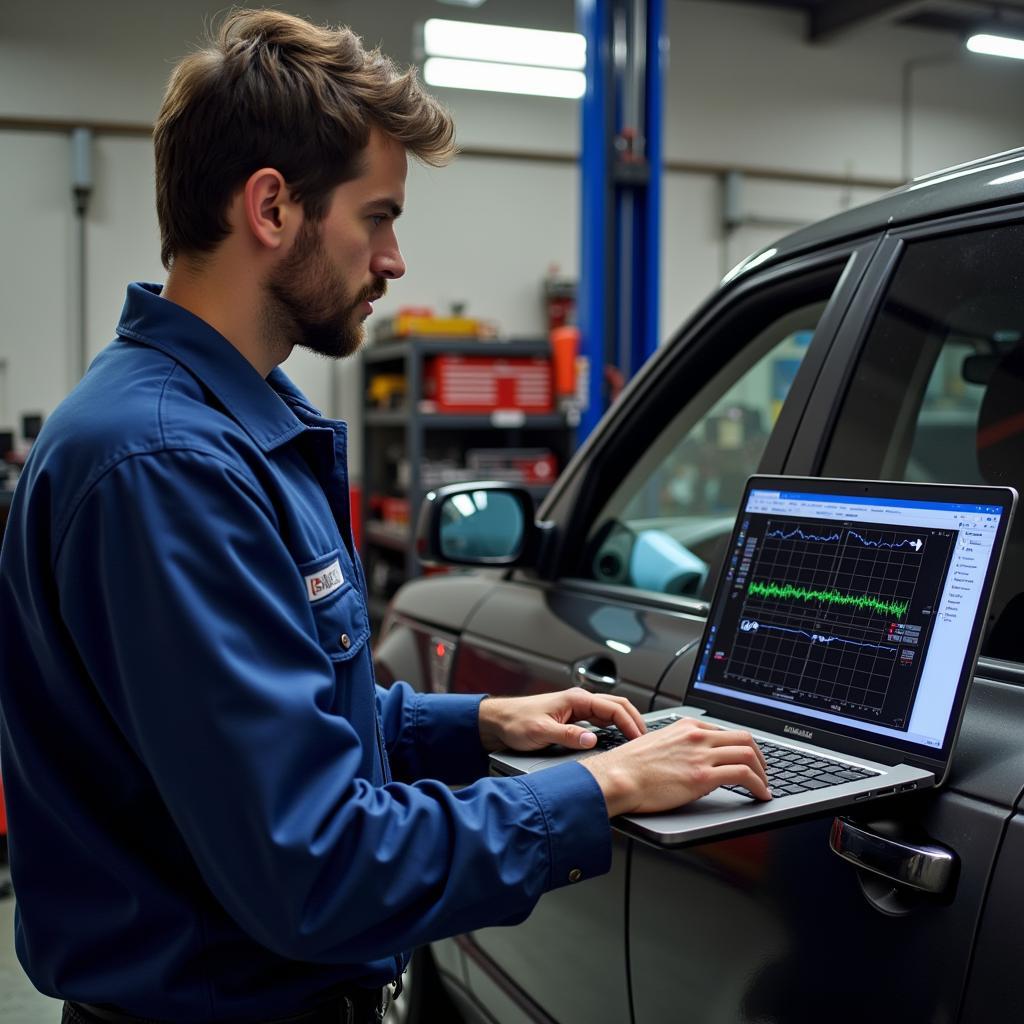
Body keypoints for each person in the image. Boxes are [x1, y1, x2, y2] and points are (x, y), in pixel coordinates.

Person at [0, 10, 770, 1024]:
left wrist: (479, 722)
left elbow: (283, 716)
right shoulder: (168, 465)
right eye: (377, 217)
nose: (395, 260)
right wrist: (604, 790)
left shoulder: (232, 426)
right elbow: (313, 868)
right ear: (271, 207)